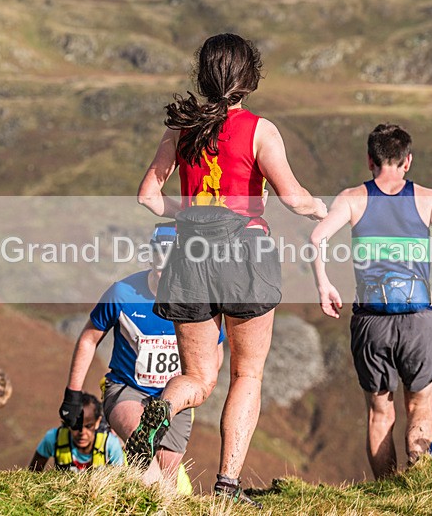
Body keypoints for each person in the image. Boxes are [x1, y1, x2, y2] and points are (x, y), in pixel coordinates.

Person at [133, 32, 327, 507]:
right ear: (249, 77)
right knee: (247, 376)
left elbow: (148, 197)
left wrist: (192, 212)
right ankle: (226, 489)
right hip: (244, 254)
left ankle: (163, 405)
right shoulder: (260, 130)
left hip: (188, 257)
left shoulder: (180, 130)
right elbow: (293, 198)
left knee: (198, 379)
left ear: (204, 76)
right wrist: (322, 209)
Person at [310, 123, 432, 479]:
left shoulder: (353, 198)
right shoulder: (428, 199)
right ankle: (418, 485)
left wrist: (324, 284)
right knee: (420, 407)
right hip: (419, 319)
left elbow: (318, 237)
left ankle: (387, 491)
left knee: (379, 413)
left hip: (372, 321)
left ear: (370, 160)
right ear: (408, 161)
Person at [59, 224, 224, 493]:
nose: (164, 271)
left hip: (173, 401)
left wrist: (197, 389)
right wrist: (73, 394)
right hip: (127, 389)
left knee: (168, 478)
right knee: (143, 448)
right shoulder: (122, 294)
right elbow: (89, 339)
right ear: (151, 256)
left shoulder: (201, 300)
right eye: (159, 259)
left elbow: (215, 351)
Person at [30, 392, 124, 471]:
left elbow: (122, 479)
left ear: (97, 422)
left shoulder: (110, 444)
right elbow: (33, 473)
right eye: (75, 426)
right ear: (68, 423)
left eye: (88, 426)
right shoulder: (53, 438)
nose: (82, 432)